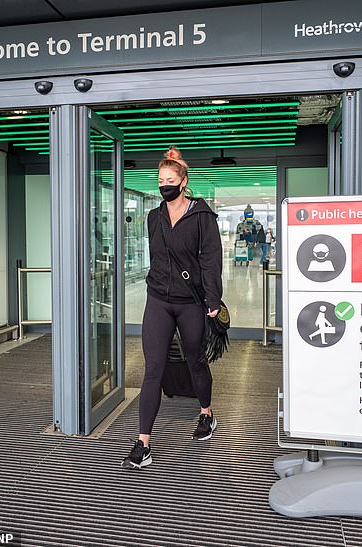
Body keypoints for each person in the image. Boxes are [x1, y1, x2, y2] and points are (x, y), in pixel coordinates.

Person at [122, 145, 223, 470]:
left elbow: (210, 260)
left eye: (169, 179)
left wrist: (212, 299)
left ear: (183, 181)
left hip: (191, 303)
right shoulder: (154, 217)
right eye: (160, 179)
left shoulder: (202, 217)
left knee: (194, 359)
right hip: (159, 300)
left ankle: (206, 413)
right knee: (153, 369)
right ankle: (143, 443)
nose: (163, 184)